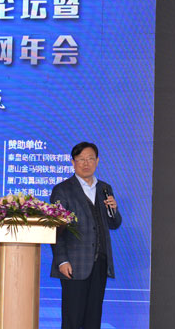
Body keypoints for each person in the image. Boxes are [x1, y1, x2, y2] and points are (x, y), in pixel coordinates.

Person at [50, 141, 122, 329]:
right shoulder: (63, 190)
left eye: (90, 159)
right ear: (73, 162)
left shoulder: (105, 188)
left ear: (97, 161)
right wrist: (62, 260)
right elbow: (56, 230)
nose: (86, 163)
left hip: (100, 263)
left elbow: (114, 224)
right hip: (74, 264)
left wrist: (114, 210)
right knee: (72, 320)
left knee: (93, 319)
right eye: (81, 159)